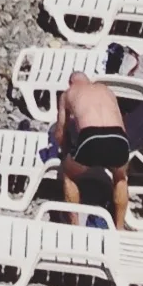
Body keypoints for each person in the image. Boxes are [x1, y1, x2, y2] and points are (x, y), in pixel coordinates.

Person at [51, 69, 131, 227]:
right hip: (119, 138)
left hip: (91, 137)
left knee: (68, 174)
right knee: (120, 177)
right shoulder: (106, 90)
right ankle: (119, 228)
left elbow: (60, 131)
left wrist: (64, 150)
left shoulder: (69, 93)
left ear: (70, 83)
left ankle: (75, 225)